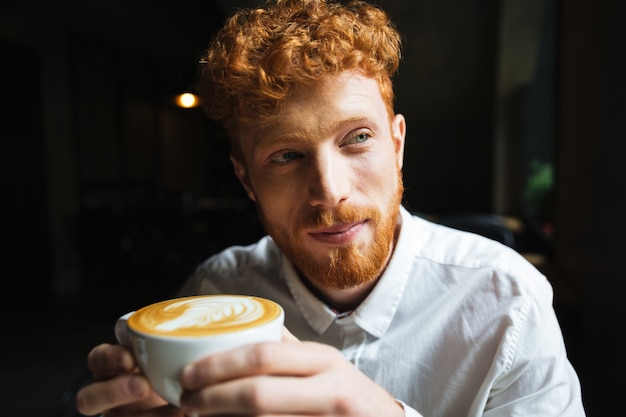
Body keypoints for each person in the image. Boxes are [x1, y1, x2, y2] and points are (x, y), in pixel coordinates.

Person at [75, 0, 585, 416]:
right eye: (286, 156)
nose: (329, 191)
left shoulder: (507, 301)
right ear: (245, 179)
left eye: (357, 138)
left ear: (397, 144)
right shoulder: (216, 291)